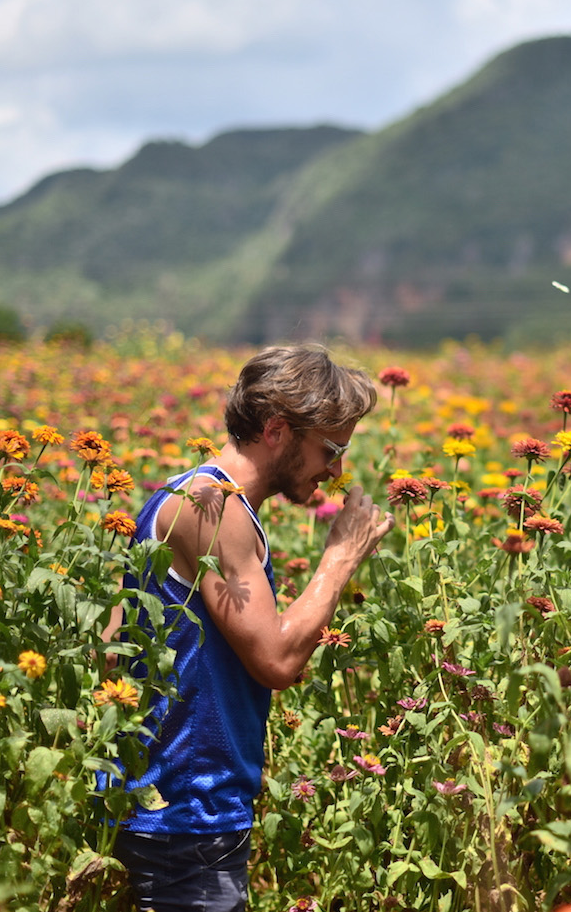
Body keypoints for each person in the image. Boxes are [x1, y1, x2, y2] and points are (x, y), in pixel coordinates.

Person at [106, 343, 394, 912]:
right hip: (189, 815)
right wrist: (340, 557)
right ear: (277, 430)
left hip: (165, 811)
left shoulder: (184, 493)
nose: (337, 470)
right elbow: (278, 660)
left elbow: (112, 652)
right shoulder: (213, 508)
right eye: (331, 448)